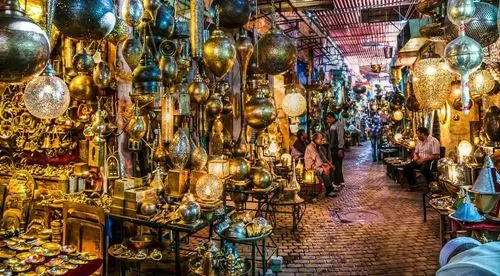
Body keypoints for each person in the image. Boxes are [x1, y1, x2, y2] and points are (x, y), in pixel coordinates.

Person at [403, 127, 441, 191]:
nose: (417, 135)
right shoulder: (419, 141)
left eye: (418, 134)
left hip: (430, 160)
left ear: (423, 134)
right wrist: (415, 157)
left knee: (424, 169)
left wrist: (423, 160)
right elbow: (416, 152)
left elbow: (436, 155)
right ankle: (413, 185)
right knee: (407, 167)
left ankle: (432, 185)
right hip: (420, 160)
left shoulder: (434, 141)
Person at [305, 133, 336, 197]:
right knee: (324, 171)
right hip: (311, 166)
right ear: (316, 139)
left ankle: (330, 185)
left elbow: (323, 157)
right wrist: (323, 167)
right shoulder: (311, 147)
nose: (321, 141)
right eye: (320, 140)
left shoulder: (317, 146)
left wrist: (330, 164)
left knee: (330, 168)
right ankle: (329, 190)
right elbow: (317, 159)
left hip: (316, 164)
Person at [326, 113, 345, 187]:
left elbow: (340, 137)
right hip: (333, 147)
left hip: (337, 148)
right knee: (338, 165)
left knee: (337, 165)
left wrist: (340, 148)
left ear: (331, 118)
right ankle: (341, 181)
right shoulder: (331, 125)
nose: (327, 121)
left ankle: (337, 183)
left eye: (328, 119)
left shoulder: (338, 124)